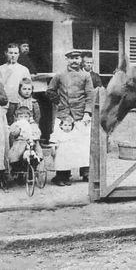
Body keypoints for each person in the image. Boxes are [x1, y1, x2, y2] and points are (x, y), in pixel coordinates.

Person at [46, 50, 93, 185]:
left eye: (77, 58)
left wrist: (87, 113)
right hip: (64, 114)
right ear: (67, 60)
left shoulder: (86, 76)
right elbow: (50, 91)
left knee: (83, 144)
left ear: (81, 60)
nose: (74, 61)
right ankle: (62, 176)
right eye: (71, 58)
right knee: (64, 147)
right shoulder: (60, 75)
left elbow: (90, 95)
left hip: (80, 115)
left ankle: (86, 173)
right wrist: (60, 103)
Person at [49, 116, 89, 186]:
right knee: (61, 166)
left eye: (69, 125)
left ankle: (66, 178)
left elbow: (77, 141)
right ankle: (59, 179)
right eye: (65, 125)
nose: (67, 127)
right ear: (61, 126)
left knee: (68, 165)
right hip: (61, 153)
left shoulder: (72, 134)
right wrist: (53, 149)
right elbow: (53, 142)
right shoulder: (58, 134)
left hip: (69, 153)